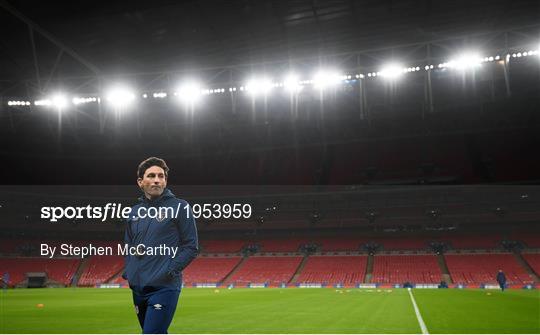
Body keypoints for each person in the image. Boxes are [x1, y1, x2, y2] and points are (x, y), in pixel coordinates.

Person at [123, 157, 199, 334]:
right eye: (151, 175)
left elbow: (191, 246)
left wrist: (168, 271)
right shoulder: (134, 212)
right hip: (138, 288)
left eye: (161, 176)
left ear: (165, 180)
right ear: (140, 182)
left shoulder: (180, 207)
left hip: (164, 287)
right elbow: (128, 244)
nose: (156, 179)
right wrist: (130, 271)